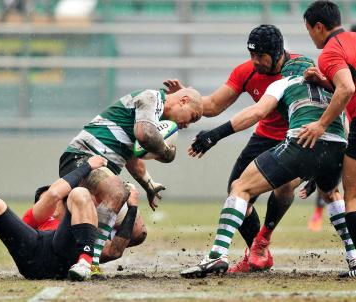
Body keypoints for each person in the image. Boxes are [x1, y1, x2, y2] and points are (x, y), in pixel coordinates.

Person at [180, 56, 356, 278]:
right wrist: (321, 170)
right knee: (332, 193)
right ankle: (354, 258)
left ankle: (217, 255)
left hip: (302, 141)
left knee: (240, 187)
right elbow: (346, 129)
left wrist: (216, 134)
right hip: (338, 147)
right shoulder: (332, 88)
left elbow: (257, 112)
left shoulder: (284, 82)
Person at [164, 24, 302, 273]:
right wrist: (184, 99)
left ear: (278, 52)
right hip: (264, 136)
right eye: (251, 55)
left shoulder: (299, 68)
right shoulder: (247, 71)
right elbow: (214, 105)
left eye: (261, 56)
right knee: (236, 193)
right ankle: (258, 255)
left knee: (285, 187)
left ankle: (264, 239)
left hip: (296, 139)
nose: (255, 61)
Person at [54, 87, 203, 272]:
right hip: (82, 158)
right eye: (193, 117)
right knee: (118, 192)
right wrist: (167, 152)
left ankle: (75, 259)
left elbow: (134, 159)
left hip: (104, 171)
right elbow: (145, 135)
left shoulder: (150, 117)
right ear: (183, 101)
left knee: (136, 232)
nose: (188, 124)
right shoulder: (152, 97)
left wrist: (149, 185)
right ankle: (89, 261)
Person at [0, 149, 109, 281]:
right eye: (42, 202)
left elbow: (113, 249)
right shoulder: (36, 217)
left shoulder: (80, 220)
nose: (52, 205)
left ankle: (84, 262)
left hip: (63, 252)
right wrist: (88, 166)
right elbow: (54, 194)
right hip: (32, 253)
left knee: (80, 193)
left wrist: (130, 207)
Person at [300, 1, 356, 278]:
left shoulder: (331, 51)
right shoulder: (355, 40)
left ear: (319, 27)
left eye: (310, 30)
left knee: (352, 197)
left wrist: (321, 125)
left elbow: (347, 87)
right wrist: (324, 83)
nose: (311, 36)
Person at [23, 183, 147, 264]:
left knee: (139, 233)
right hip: (48, 261)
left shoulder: (83, 223)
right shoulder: (34, 223)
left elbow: (113, 252)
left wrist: (133, 207)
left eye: (53, 201)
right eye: (43, 202)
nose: (48, 205)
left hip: (78, 246)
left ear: (66, 203)